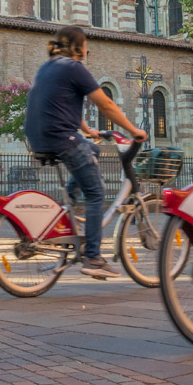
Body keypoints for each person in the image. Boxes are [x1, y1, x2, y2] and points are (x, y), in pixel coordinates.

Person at [24, 24, 147, 278]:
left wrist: (88, 130)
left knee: (92, 148)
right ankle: (93, 257)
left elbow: (59, 103)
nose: (87, 50)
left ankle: (69, 203)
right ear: (79, 48)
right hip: (61, 138)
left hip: (38, 136)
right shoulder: (74, 67)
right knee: (96, 191)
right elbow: (106, 104)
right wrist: (134, 130)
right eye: (86, 46)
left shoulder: (49, 67)